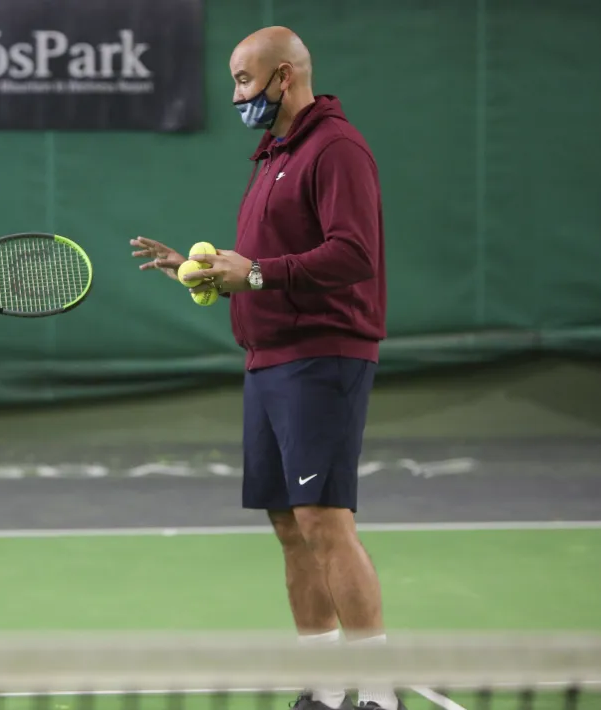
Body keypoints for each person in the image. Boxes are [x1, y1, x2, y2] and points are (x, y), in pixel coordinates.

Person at [131, 27, 403, 710]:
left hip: (322, 354)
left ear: (285, 77)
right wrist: (202, 270)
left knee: (323, 520)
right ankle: (327, 685)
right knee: (288, 522)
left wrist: (255, 274)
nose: (235, 95)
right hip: (269, 358)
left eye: (244, 81)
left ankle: (378, 691)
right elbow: (265, 260)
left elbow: (354, 254)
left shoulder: (336, 148)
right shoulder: (273, 154)